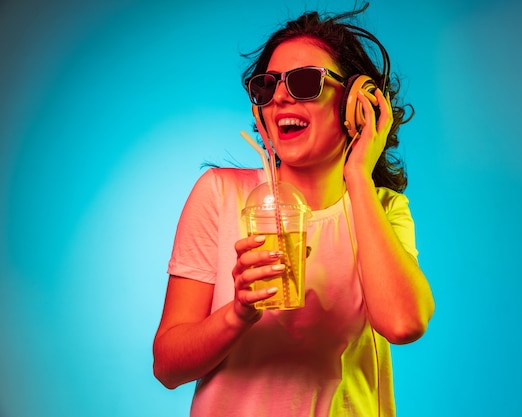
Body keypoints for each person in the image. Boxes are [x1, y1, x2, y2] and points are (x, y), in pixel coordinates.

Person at [153, 4, 435, 416]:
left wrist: (358, 175)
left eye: (305, 82)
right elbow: (168, 366)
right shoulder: (220, 194)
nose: (281, 96)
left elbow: (404, 323)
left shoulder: (383, 209)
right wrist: (238, 313)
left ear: (355, 100)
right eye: (267, 85)